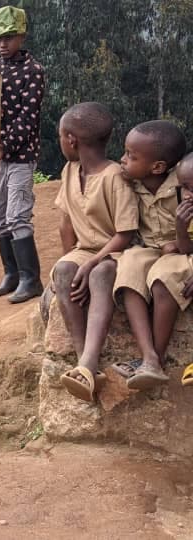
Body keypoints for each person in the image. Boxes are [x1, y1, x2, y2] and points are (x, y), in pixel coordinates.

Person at [53, 103, 139, 403]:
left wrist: (90, 263)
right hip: (83, 251)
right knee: (63, 272)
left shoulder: (115, 175)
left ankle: (89, 362)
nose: (61, 143)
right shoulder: (69, 170)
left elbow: (125, 234)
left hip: (116, 253)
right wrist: (71, 268)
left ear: (71, 139)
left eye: (61, 137)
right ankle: (84, 365)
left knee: (101, 274)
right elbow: (66, 225)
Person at [0, 5, 46, 304]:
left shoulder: (34, 72)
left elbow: (29, 120)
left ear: (22, 36)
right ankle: (11, 274)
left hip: (20, 157)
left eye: (9, 37)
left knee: (18, 216)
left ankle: (31, 279)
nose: (2, 44)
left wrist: (6, 143)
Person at [111, 121, 187, 390]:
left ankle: (156, 357)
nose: (122, 160)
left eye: (131, 156)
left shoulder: (184, 183)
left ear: (158, 167)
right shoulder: (130, 182)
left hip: (183, 252)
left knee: (162, 279)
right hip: (149, 249)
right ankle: (149, 357)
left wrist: (178, 244)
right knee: (129, 267)